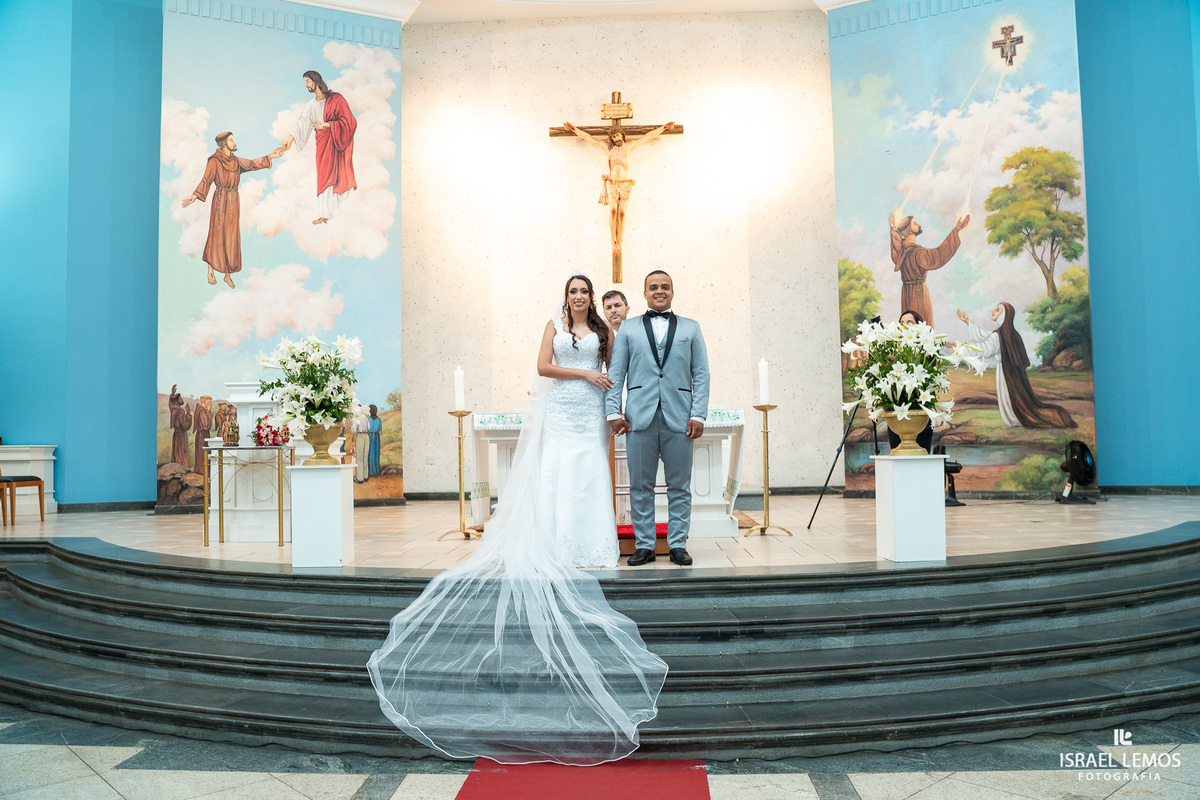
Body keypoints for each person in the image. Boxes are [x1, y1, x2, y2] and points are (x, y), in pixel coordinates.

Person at [368, 272, 667, 765]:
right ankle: (556, 544)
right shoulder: (553, 324)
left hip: (592, 412)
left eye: (584, 292)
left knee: (589, 477)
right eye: (573, 291)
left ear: (592, 298)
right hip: (562, 409)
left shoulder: (604, 331)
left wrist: (611, 399)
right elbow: (543, 367)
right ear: (565, 296)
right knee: (554, 478)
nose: (579, 297)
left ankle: (590, 547)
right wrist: (585, 375)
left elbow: (615, 371)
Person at [606, 270, 710, 567]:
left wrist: (698, 413)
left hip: (680, 418)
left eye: (665, 287)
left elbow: (700, 374)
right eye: (654, 287)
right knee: (640, 485)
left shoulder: (691, 328)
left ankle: (677, 544)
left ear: (673, 292)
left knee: (679, 485)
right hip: (639, 417)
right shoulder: (628, 328)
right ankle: (645, 546)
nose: (659, 291)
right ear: (645, 294)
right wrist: (614, 411)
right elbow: (616, 374)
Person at [563, 120, 674, 273]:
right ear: (612, 138)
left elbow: (648, 136)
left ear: (622, 135)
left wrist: (663, 128)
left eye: (618, 135)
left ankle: (619, 241)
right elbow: (589, 138)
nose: (616, 138)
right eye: (614, 136)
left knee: (622, 213)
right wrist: (573, 128)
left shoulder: (629, 146)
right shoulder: (607, 148)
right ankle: (612, 241)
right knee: (613, 211)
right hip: (611, 182)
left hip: (625, 183)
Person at [182, 133, 283, 288]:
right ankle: (210, 269)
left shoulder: (236, 161)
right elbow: (206, 179)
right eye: (231, 140)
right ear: (223, 144)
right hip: (220, 200)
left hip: (233, 201)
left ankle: (227, 275)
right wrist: (195, 196)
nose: (234, 142)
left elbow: (252, 164)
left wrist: (270, 156)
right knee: (216, 233)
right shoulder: (214, 161)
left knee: (231, 236)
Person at [957, 303, 1077, 428]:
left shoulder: (999, 335)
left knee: (1012, 400)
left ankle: (1015, 418)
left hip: (1005, 373)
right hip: (1015, 374)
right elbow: (985, 335)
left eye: (997, 310)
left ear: (1004, 315)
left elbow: (984, 349)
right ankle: (1015, 417)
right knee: (1021, 400)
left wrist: (959, 347)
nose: (993, 311)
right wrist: (968, 322)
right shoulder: (1011, 333)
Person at [277, 70, 357, 225]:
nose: (306, 85)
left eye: (307, 81)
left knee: (339, 175)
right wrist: (289, 140)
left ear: (315, 81)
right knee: (324, 176)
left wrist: (329, 125)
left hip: (336, 143)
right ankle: (324, 214)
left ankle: (339, 212)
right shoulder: (311, 105)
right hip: (322, 145)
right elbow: (302, 123)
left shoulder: (336, 99)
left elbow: (349, 121)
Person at [889, 211, 969, 327]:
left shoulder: (902, 250)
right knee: (920, 324)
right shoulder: (918, 253)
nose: (918, 224)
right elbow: (938, 255)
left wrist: (893, 229)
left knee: (907, 324)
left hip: (906, 292)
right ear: (909, 230)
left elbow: (896, 244)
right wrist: (956, 231)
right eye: (914, 223)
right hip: (918, 293)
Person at [887, 311, 934, 454]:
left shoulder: (927, 350)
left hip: (920, 415)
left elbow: (929, 374)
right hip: (896, 415)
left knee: (920, 459)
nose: (905, 326)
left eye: (910, 323)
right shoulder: (891, 350)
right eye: (901, 323)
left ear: (919, 327)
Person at [168, 385, 193, 467]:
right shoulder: (180, 411)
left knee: (177, 453)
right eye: (180, 397)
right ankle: (182, 468)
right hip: (182, 435)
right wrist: (188, 413)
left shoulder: (173, 409)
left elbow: (170, 404)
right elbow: (185, 426)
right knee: (182, 453)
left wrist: (172, 394)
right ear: (177, 400)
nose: (181, 399)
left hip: (176, 434)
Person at [192, 396, 213, 473]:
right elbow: (206, 425)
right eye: (209, 402)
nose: (210, 404)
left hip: (201, 435)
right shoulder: (202, 412)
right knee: (202, 454)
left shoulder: (201, 410)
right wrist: (209, 411)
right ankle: (202, 472)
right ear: (204, 402)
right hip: (202, 436)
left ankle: (202, 471)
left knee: (201, 454)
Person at [353, 410, 371, 483]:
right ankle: (365, 476)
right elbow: (369, 427)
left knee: (359, 457)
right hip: (366, 436)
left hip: (360, 436)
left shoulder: (356, 417)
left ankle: (360, 478)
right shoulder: (365, 417)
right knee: (365, 456)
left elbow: (354, 429)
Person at [366, 405, 382, 477]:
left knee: (370, 453)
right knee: (376, 453)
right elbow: (380, 431)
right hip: (376, 438)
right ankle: (376, 471)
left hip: (369, 436)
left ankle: (370, 471)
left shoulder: (368, 419)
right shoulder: (379, 420)